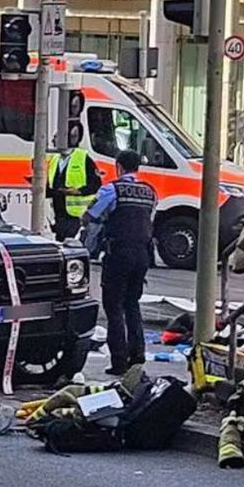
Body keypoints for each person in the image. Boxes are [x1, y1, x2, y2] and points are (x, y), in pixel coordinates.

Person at [82, 149, 157, 376]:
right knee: (132, 304)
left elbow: (92, 214)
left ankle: (118, 361)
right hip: (142, 254)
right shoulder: (149, 192)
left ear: (119, 166)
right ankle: (138, 354)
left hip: (119, 253)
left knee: (113, 307)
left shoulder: (112, 189)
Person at [46, 123, 101, 241]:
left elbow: (96, 184)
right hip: (58, 214)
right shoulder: (55, 158)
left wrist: (78, 191)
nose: (53, 140)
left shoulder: (83, 158)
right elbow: (51, 185)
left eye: (56, 137)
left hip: (75, 216)